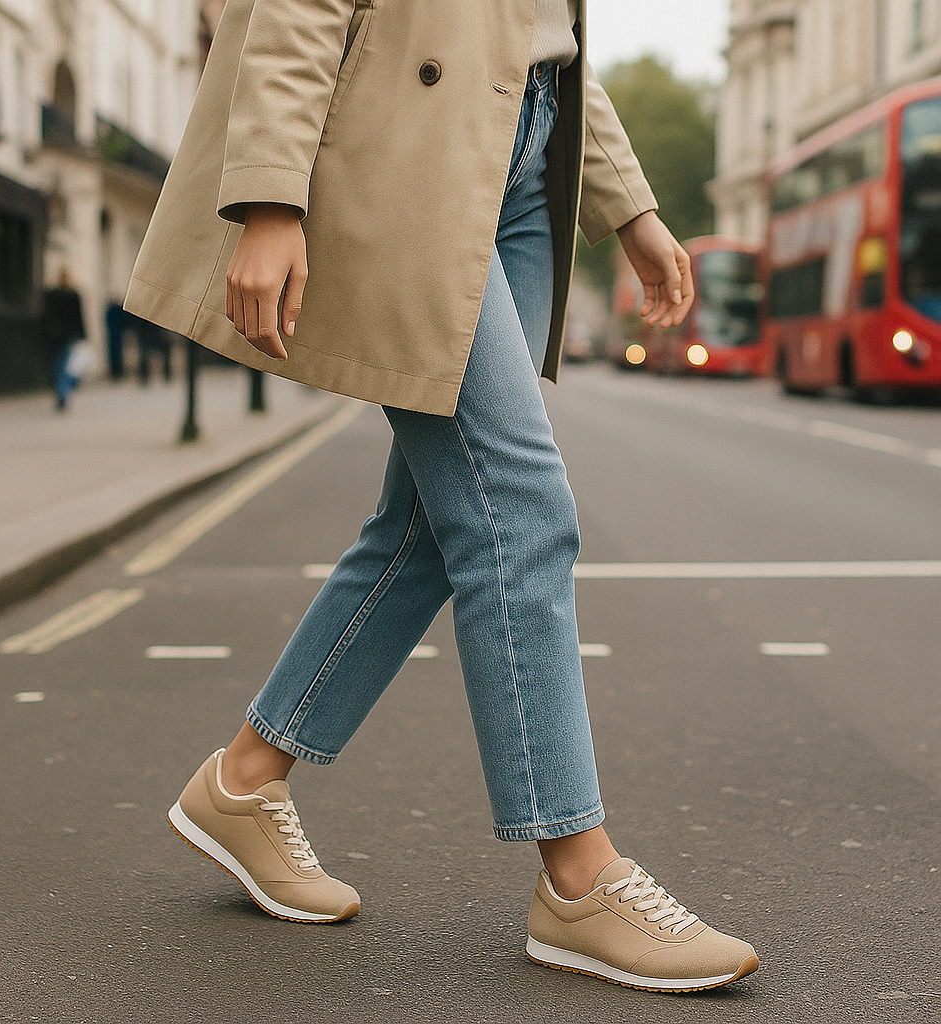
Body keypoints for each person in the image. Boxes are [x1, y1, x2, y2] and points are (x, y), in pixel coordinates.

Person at [126, 0, 759, 993]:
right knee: (521, 511)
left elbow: (538, 26)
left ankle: (243, 781)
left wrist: (625, 204)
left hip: (526, 152)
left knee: (426, 525)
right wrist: (267, 199)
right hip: (410, 151)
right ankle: (578, 875)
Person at [42, 269, 86, 412]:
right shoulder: (73, 295)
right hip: (68, 336)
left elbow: (46, 316)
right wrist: (82, 335)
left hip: (54, 336)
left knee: (58, 365)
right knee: (65, 365)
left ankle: (61, 392)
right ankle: (63, 392)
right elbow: (78, 317)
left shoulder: (52, 295)